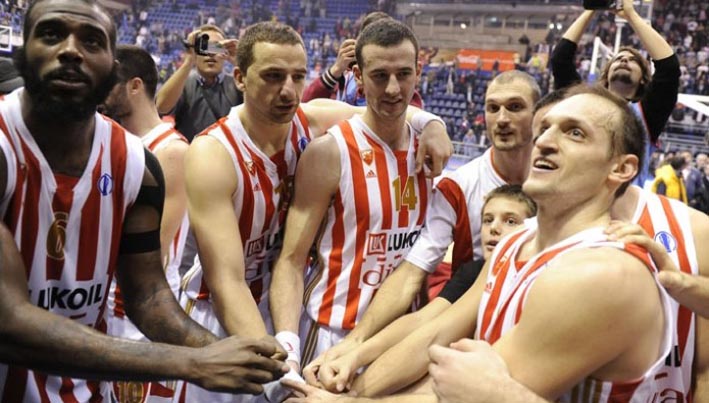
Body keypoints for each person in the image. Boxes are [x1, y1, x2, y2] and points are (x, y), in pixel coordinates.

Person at [285, 84, 687, 402]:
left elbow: (465, 394)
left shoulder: (602, 273)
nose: (545, 141)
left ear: (621, 169)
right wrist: (353, 379)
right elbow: (436, 331)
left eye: (575, 133)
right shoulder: (516, 242)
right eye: (546, 128)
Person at [0, 0, 289, 400]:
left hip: (87, 392)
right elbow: (8, 322)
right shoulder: (4, 148)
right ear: (23, 51)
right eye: (51, 34)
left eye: (91, 41)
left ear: (112, 68)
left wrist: (240, 360)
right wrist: (191, 362)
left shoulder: (136, 163)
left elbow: (148, 296)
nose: (70, 50)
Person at [176, 20, 451, 403]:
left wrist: (434, 124)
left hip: (283, 305)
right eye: (273, 76)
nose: (288, 90)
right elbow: (228, 282)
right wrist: (279, 368)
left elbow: (386, 106)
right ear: (239, 78)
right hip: (220, 312)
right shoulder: (212, 154)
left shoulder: (310, 119)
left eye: (298, 76)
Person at [303, 70, 541, 386]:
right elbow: (412, 274)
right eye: (493, 108)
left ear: (538, 114)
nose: (502, 119)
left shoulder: (559, 183)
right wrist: (356, 342)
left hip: (543, 329)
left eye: (515, 107)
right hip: (470, 335)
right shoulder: (458, 186)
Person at [270, 18, 433, 377]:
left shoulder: (431, 151)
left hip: (400, 339)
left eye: (404, 74)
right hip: (330, 334)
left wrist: (435, 124)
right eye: (379, 76)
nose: (393, 88)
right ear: (358, 76)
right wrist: (288, 349)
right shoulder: (330, 152)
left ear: (418, 73)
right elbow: (292, 260)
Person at [303, 185, 536, 393]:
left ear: (533, 229)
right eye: (488, 220)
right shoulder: (473, 272)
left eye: (510, 221)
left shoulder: (535, 283)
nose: (494, 228)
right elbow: (423, 322)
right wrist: (355, 354)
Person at [99, 44, 190, 402]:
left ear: (134, 86)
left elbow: (156, 251)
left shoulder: (171, 151)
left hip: (142, 310)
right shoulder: (113, 141)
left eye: (109, 83)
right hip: (107, 302)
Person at [550, 0, 680, 187]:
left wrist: (631, 15)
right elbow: (560, 60)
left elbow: (669, 68)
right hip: (575, 196)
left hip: (623, 201)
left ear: (643, 79)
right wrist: (591, 8)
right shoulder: (583, 103)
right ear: (607, 74)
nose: (624, 60)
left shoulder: (647, 114)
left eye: (632, 60)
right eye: (618, 59)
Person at [301, 11, 423, 108]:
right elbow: (306, 106)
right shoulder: (346, 79)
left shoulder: (400, 86)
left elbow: (413, 118)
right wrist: (336, 70)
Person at [155, 24, 241, 142]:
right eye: (204, 47)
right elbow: (161, 107)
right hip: (190, 151)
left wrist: (239, 63)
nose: (211, 54)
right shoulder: (183, 83)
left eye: (216, 47)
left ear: (225, 52)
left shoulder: (238, 83)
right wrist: (189, 60)